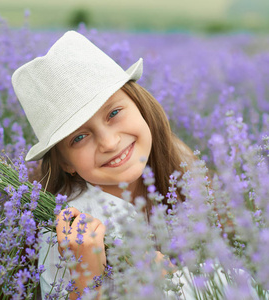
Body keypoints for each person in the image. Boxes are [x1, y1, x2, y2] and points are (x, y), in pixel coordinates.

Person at [11, 31, 195, 299]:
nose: (109, 143)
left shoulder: (181, 168)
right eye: (80, 137)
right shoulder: (68, 229)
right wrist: (86, 278)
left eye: (113, 113)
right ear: (65, 162)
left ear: (140, 106)